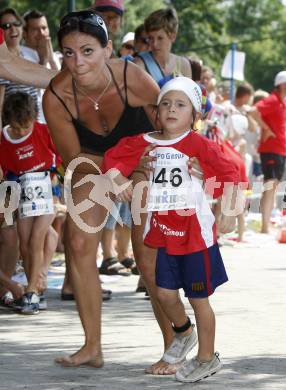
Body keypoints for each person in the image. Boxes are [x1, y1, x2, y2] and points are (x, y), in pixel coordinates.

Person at [102, 77, 240, 383]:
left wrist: (229, 208)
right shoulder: (145, 143)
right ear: (156, 112)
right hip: (163, 231)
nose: (171, 109)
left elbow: (230, 170)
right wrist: (119, 180)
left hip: (195, 235)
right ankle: (184, 332)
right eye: (165, 103)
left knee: (199, 299)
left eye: (180, 104)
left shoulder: (198, 144)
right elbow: (113, 157)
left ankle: (207, 358)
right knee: (163, 293)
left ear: (194, 115)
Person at [43, 10, 159, 367]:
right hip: (90, 163)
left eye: (87, 51)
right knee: (78, 242)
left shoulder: (131, 77)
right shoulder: (57, 96)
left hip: (143, 155)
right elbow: (75, 160)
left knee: (147, 254)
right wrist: (111, 174)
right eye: (68, 52)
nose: (77, 62)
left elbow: (172, 125)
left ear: (108, 49)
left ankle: (176, 341)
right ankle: (92, 346)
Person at [0, 92, 60, 314]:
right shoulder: (4, 139)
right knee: (24, 243)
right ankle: (34, 289)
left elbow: (60, 153)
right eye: (17, 128)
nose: (22, 132)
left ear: (34, 119)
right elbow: (6, 169)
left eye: (26, 127)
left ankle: (32, 291)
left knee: (37, 238)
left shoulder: (43, 131)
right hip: (22, 193)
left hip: (46, 189)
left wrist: (56, 174)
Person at [249, 71, 286, 233]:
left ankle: (266, 224)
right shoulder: (272, 100)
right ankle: (265, 227)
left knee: (272, 187)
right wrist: (266, 129)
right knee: (270, 186)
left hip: (279, 149)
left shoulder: (283, 102)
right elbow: (252, 111)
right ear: (283, 85)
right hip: (270, 149)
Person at [134, 8, 191, 85]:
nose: (154, 44)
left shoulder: (184, 65)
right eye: (150, 38)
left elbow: (190, 95)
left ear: (173, 37)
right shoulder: (139, 64)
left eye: (160, 38)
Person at [0, 8, 39, 120]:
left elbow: (37, 96)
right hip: (13, 128)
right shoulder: (2, 61)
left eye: (16, 24)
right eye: (6, 26)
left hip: (33, 124)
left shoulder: (32, 54)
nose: (13, 29)